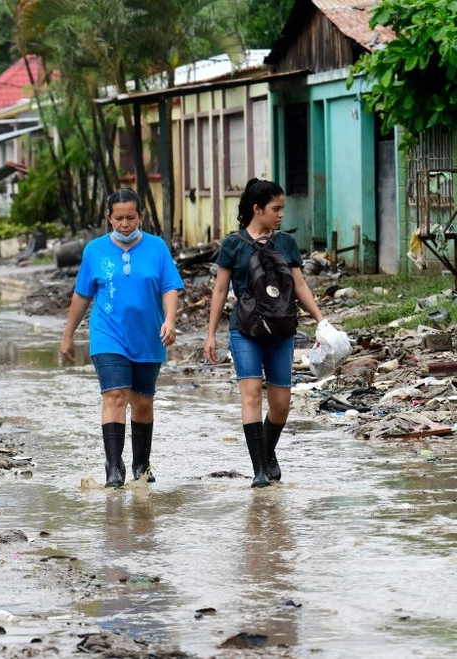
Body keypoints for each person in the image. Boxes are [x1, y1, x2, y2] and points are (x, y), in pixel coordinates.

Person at [204, 178, 324, 488]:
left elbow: (299, 286)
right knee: (252, 394)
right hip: (244, 329)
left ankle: (267, 452)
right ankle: (259, 470)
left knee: (282, 405)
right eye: (276, 208)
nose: (281, 214)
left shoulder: (286, 243)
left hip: (281, 329)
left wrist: (321, 321)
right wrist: (210, 334)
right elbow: (219, 291)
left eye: (282, 208)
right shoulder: (232, 245)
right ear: (257, 209)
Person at [61, 188, 184, 488]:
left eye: (131, 217)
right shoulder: (95, 250)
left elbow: (169, 288)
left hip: (149, 335)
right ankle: (113, 468)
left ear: (141, 216)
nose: (125, 224)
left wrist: (169, 320)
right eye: (119, 218)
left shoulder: (157, 248)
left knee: (142, 402)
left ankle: (141, 465)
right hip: (108, 334)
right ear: (109, 218)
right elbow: (82, 295)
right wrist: (68, 335)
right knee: (115, 396)